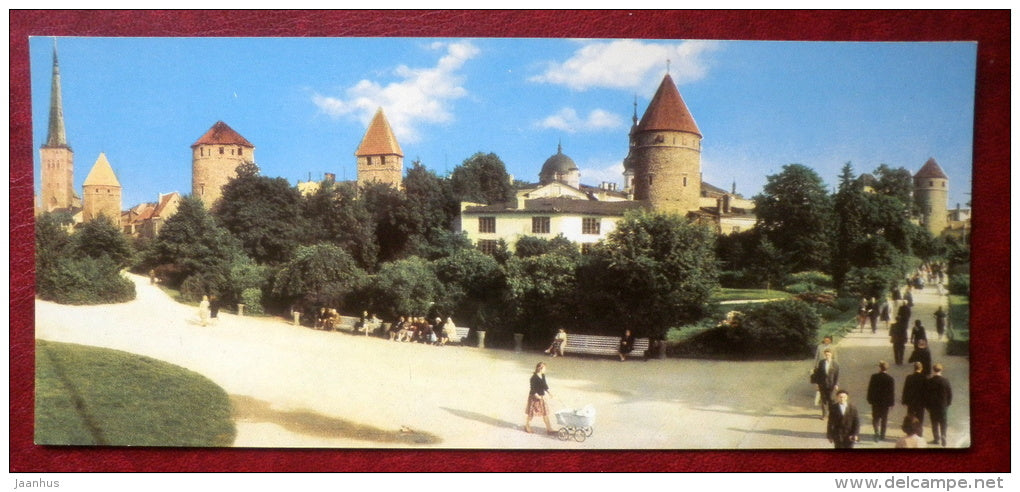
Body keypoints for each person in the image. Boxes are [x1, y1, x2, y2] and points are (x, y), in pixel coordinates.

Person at [866, 361, 895, 442]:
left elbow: (870, 389)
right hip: (885, 403)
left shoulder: (874, 377)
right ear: (887, 369)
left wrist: (869, 399)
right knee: (884, 419)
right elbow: (891, 392)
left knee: (875, 418)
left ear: (879, 368)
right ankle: (882, 435)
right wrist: (891, 403)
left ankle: (876, 431)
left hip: (875, 402)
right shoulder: (890, 379)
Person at [524, 362, 556, 435]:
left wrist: (550, 393)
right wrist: (538, 397)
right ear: (540, 368)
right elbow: (533, 389)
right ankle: (527, 426)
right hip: (534, 398)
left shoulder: (543, 375)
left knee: (545, 413)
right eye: (544, 368)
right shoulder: (533, 378)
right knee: (531, 413)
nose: (545, 370)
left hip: (541, 396)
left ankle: (549, 429)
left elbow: (545, 386)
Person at [926, 363, 953, 447]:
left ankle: (936, 438)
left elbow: (926, 394)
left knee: (934, 423)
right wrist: (947, 403)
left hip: (933, 406)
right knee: (943, 422)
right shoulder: (945, 381)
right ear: (941, 370)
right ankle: (943, 435)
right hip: (943, 406)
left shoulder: (930, 381)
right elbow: (950, 394)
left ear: (933, 370)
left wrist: (927, 406)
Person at [901, 361, 927, 437]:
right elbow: (926, 391)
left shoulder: (909, 377)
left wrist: (904, 400)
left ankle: (910, 432)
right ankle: (919, 433)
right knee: (920, 418)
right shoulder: (924, 378)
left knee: (910, 418)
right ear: (921, 368)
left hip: (911, 402)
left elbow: (905, 390)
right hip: (920, 402)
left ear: (914, 368)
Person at [813, 348, 839, 420]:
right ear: (824, 355)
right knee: (823, 399)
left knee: (831, 399)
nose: (827, 356)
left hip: (831, 385)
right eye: (826, 354)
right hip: (822, 384)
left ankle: (832, 414)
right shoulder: (821, 362)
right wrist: (817, 384)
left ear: (831, 354)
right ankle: (824, 415)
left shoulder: (835, 364)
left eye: (829, 354)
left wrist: (836, 384)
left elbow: (837, 375)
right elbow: (818, 374)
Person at [891, 300, 910, 365]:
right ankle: (901, 360)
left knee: (896, 350)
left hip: (895, 340)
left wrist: (892, 337)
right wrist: (906, 339)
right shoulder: (903, 326)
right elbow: (905, 333)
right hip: (901, 339)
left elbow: (890, 333)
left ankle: (897, 361)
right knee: (901, 350)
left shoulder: (893, 325)